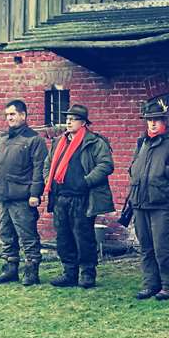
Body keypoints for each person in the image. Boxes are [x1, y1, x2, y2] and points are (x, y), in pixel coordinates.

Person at [126, 98, 169, 301]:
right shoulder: (142, 143)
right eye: (149, 120)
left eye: (156, 119)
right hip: (140, 202)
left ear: (164, 121)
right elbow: (134, 167)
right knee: (146, 247)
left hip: (161, 204)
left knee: (161, 246)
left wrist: (164, 170)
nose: (153, 123)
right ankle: (150, 284)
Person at [44, 104, 115, 289]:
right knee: (63, 237)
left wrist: (86, 181)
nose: (68, 122)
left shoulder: (94, 142)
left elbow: (106, 165)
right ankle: (69, 273)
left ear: (83, 122)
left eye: (73, 119)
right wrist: (48, 180)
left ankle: (87, 273)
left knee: (84, 237)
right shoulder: (59, 142)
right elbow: (48, 165)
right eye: (67, 119)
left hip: (83, 198)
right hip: (60, 198)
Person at [0, 99, 46, 286]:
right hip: (3, 196)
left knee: (27, 236)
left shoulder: (34, 140)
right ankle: (10, 269)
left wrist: (35, 193)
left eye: (12, 114)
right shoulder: (2, 139)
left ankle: (31, 271)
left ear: (23, 115)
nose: (9, 118)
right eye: (7, 115)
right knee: (6, 234)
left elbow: (39, 169)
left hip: (23, 198)